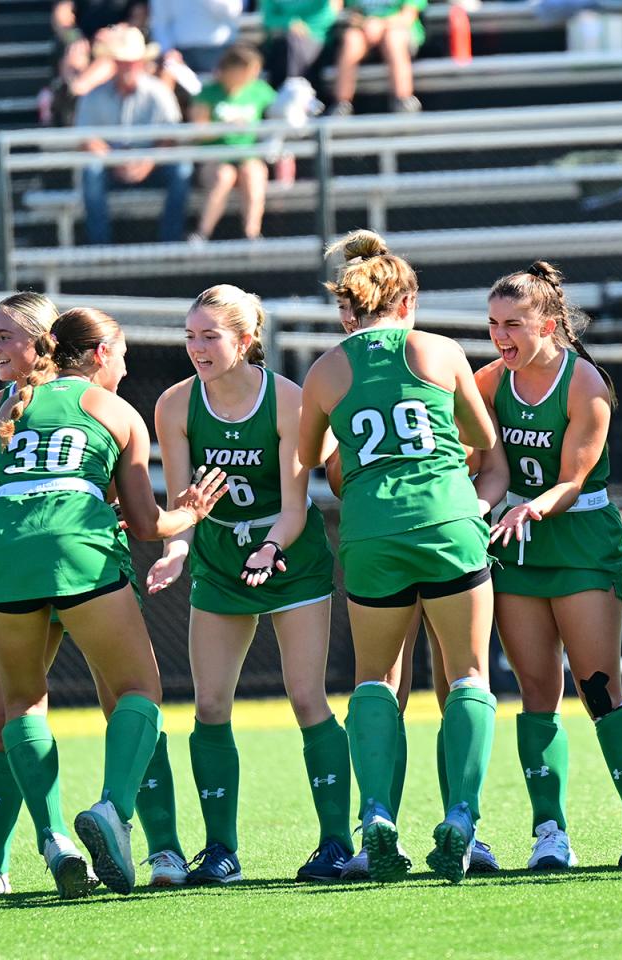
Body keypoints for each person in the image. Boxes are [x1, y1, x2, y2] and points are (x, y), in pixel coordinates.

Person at [0, 307, 225, 898]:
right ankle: (114, 812)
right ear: (102, 355)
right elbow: (144, 523)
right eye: (125, 354)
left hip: (3, 556)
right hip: (77, 554)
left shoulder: (12, 406)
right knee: (140, 693)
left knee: (20, 706)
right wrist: (189, 512)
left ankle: (53, 841)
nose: (128, 364)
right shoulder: (115, 410)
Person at [300, 232, 498, 883]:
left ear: (350, 305)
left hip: (371, 532)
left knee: (375, 679)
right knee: (467, 675)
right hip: (446, 521)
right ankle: (464, 819)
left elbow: (312, 461)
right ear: (406, 298)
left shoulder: (326, 368)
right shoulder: (440, 350)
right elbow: (481, 439)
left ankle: (377, 816)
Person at [148, 284, 353, 884]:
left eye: (210, 336)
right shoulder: (174, 405)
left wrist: (268, 547)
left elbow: (295, 507)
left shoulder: (288, 401)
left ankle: (337, 843)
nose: (196, 348)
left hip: (290, 557)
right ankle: (220, 850)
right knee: (209, 705)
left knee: (305, 696)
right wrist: (176, 551)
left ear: (245, 339)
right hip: (218, 561)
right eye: (190, 336)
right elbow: (185, 506)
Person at [479, 262, 622, 871]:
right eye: (493, 325)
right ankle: (548, 832)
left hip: (579, 538)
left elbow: (572, 480)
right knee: (535, 692)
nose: (501, 337)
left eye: (514, 325)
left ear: (551, 325)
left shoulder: (585, 383)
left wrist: (529, 508)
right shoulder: (487, 382)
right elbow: (469, 449)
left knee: (599, 688)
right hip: (517, 544)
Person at [75, 24, 192, 244]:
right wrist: (114, 161)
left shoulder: (158, 91)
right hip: (110, 166)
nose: (127, 66)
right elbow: (87, 139)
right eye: (122, 61)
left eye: (132, 61)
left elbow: (170, 137)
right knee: (92, 171)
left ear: (141, 62)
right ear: (114, 62)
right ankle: (100, 247)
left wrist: (148, 161)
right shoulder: (94, 95)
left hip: (152, 165)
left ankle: (171, 242)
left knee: (182, 170)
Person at [188, 45, 277, 243]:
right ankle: (203, 233)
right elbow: (199, 132)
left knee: (252, 173)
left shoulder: (259, 90)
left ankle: (252, 234)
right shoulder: (209, 92)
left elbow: (279, 111)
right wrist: (224, 127)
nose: (252, 76)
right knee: (223, 176)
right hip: (215, 157)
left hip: (248, 155)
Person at [328, 0, 426, 116]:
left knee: (393, 39)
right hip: (364, 30)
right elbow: (350, 13)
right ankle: (342, 104)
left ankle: (403, 100)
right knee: (351, 40)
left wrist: (381, 24)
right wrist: (365, 24)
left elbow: (407, 17)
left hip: (399, 31)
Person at [150, 0, 243, 74]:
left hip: (218, 51)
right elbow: (160, 21)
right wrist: (167, 51)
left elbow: (232, 11)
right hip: (180, 54)